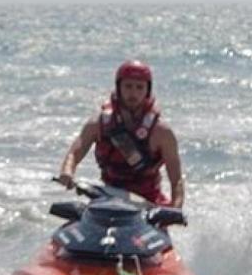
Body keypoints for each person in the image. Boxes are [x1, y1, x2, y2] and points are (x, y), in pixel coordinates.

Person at [57, 60, 184, 207]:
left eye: (139, 87)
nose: (133, 93)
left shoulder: (161, 132)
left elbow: (176, 180)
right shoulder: (99, 123)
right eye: (128, 86)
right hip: (107, 197)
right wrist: (67, 172)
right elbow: (74, 153)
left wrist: (176, 208)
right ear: (119, 87)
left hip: (148, 203)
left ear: (147, 90)